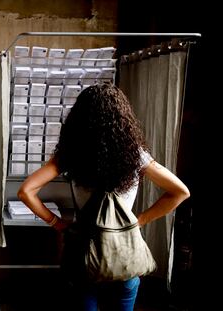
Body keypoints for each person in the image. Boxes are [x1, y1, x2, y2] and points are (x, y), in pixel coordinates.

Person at [17, 83, 190, 311]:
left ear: (79, 119)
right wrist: (140, 221)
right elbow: (180, 192)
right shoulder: (136, 155)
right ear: (122, 118)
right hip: (125, 255)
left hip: (84, 256)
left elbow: (26, 191)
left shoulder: (70, 155)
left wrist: (57, 223)